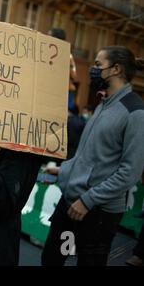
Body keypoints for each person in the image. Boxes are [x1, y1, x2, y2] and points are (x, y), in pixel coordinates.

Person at [41, 46, 144, 266]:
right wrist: (65, 170)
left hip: (98, 214)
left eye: (98, 65)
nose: (93, 70)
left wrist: (88, 201)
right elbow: (95, 155)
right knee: (52, 259)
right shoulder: (104, 104)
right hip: (70, 203)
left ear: (116, 69)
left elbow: (130, 172)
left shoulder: (135, 112)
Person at [49, 28, 77, 110]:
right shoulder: (46, 52)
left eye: (49, 36)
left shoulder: (68, 56)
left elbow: (74, 75)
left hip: (63, 93)